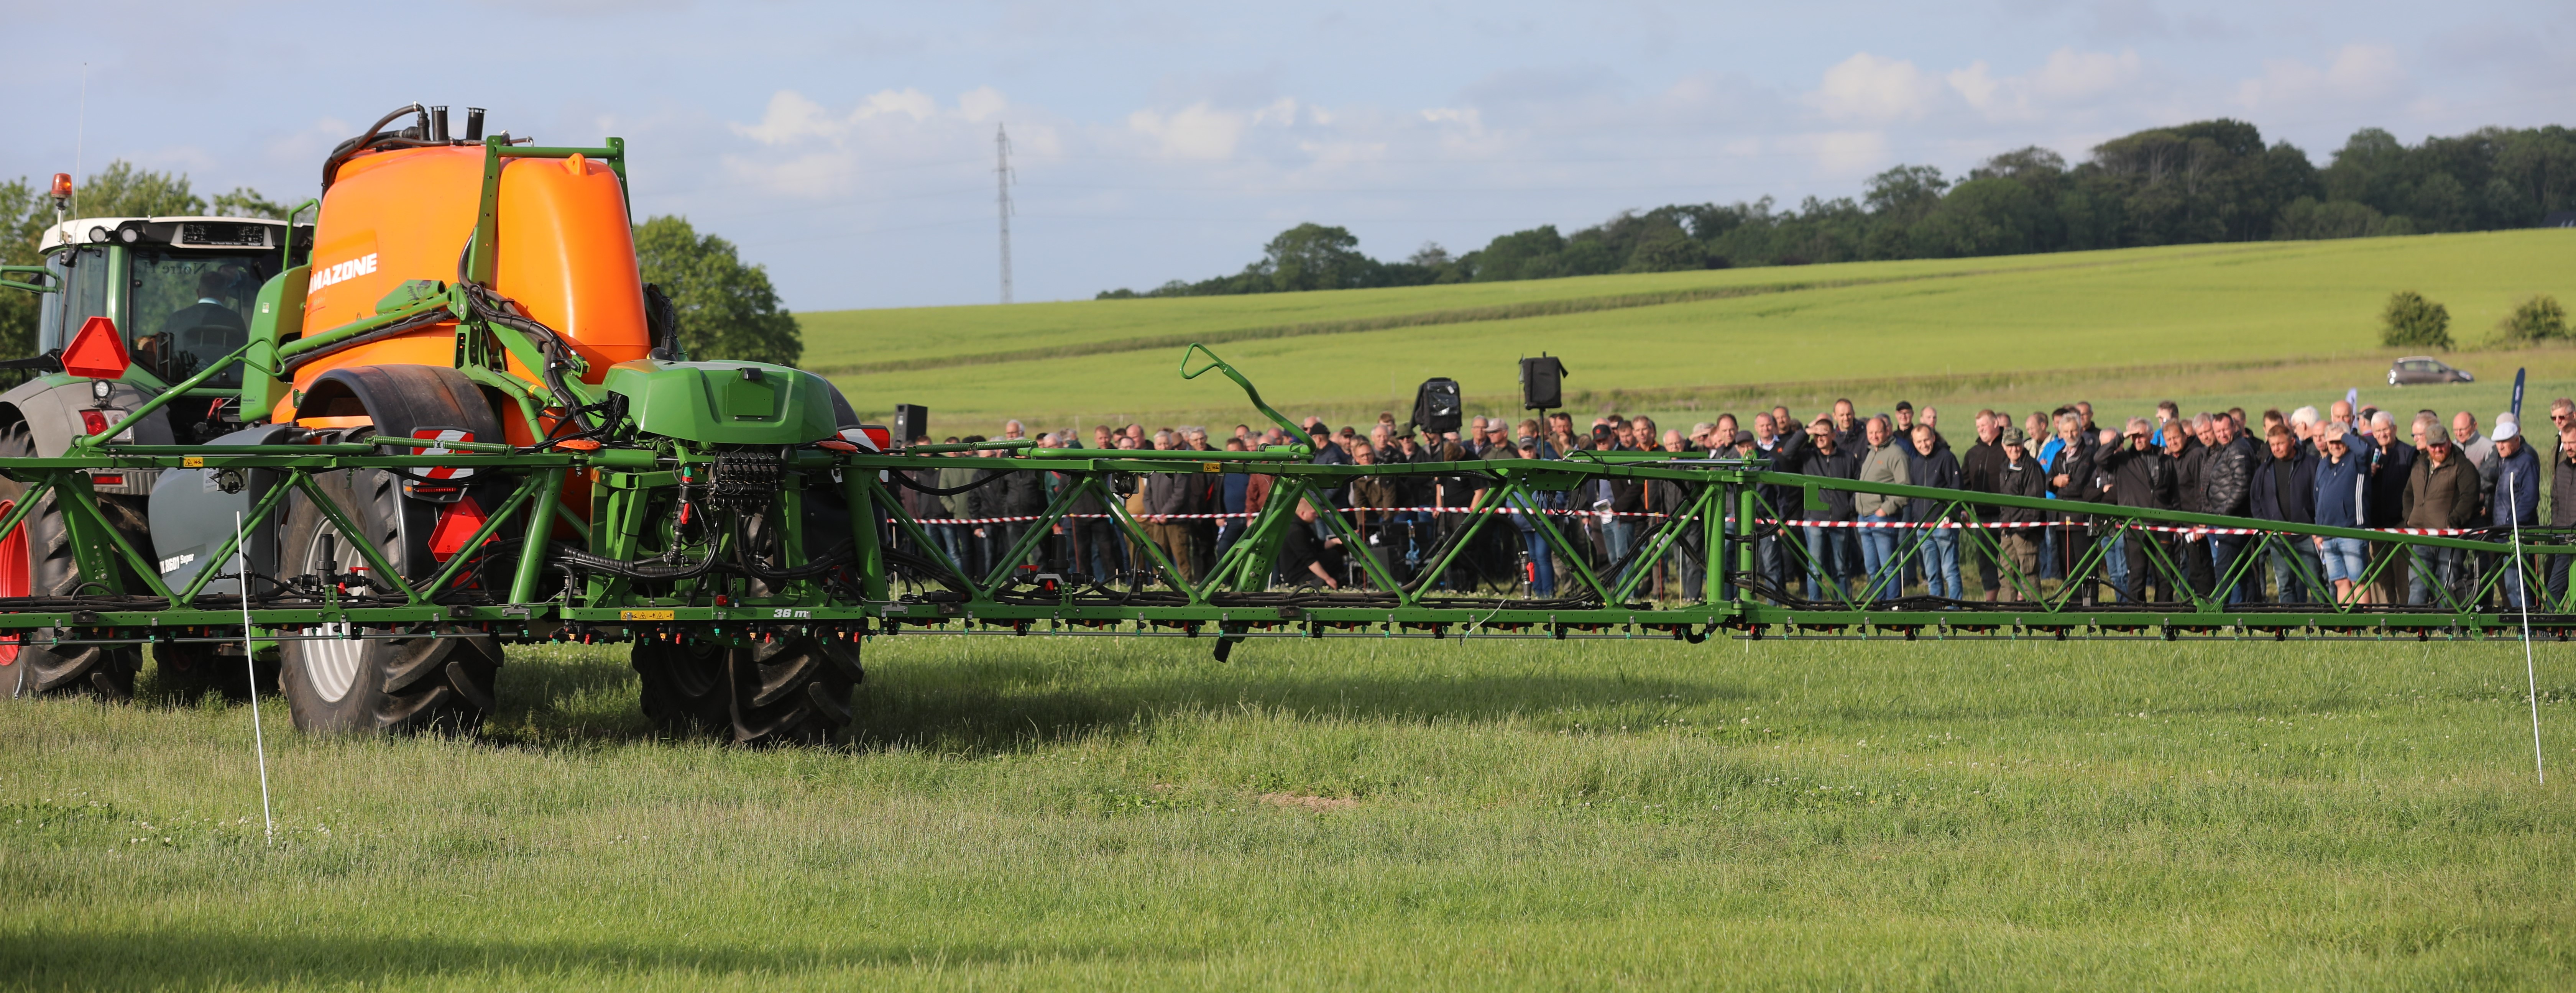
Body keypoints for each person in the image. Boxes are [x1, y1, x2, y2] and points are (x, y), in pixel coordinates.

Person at [2097, 417, 2177, 602]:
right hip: (2135, 526)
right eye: (2134, 437)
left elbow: (2174, 494)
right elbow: (2100, 458)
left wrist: (2175, 523)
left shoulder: (2166, 460)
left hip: (2162, 525)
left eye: (2141, 436)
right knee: (2137, 573)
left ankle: (2163, 612)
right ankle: (2137, 612)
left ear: (2151, 435)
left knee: (2165, 574)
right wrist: (2122, 436)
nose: (2137, 440)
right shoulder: (2123, 460)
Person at [2403, 420, 2481, 606]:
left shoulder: (2463, 466)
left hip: (2450, 539)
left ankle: (2445, 622)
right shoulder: (2419, 465)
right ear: (2427, 446)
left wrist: (2452, 522)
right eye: (2433, 446)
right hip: (2421, 537)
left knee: (2447, 584)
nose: (2438, 449)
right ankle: (2415, 620)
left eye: (2441, 445)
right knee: (2417, 583)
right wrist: (2409, 519)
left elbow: (2469, 497)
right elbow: (2408, 494)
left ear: (2449, 443)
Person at [2249, 423, 2321, 603]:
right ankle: (2291, 619)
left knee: (2317, 583)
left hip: (2308, 536)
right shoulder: (2265, 469)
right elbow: (2255, 500)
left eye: (2280, 444)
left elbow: (2321, 497)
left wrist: (2317, 526)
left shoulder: (2311, 464)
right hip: (2278, 537)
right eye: (2273, 445)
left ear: (2292, 442)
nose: (2276, 449)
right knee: (2285, 585)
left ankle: (2323, 618)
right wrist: (2265, 526)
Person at [1793, 418, 1861, 600]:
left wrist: (1848, 508)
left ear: (1833, 435)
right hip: (1814, 520)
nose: (1820, 438)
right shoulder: (1808, 457)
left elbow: (1858, 485)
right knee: (1815, 567)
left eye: (1824, 433)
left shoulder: (1847, 458)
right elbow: (1788, 453)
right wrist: (1806, 432)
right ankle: (1815, 605)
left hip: (1840, 520)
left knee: (1840, 567)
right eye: (1817, 435)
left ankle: (1844, 605)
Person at [2310, 422, 2373, 606]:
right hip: (2328, 534)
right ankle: (2347, 619)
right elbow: (2318, 498)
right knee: (2340, 582)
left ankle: (2364, 620)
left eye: (2340, 441)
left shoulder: (2357, 460)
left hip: (2352, 531)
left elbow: (2364, 450)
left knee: (2358, 581)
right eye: (2332, 442)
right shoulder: (2323, 465)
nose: (2336, 446)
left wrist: (2343, 436)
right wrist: (2318, 530)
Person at [2201, 411, 2258, 604]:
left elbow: (2242, 485)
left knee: (2224, 568)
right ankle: (2252, 608)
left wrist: (2222, 513)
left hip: (2233, 520)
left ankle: (2219, 610)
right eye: (2218, 431)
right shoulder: (2230, 448)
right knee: (2242, 568)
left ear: (2234, 427)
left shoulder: (2237, 449)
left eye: (2226, 430)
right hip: (2233, 519)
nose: (2222, 435)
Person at [1855, 415, 1912, 600]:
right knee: (1872, 567)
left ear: (1887, 431)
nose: (1874, 436)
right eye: (1870, 432)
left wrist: (1885, 509)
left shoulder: (1897, 454)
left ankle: (1893, 603)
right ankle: (1878, 603)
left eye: (1878, 432)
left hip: (1882, 517)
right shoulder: (1871, 453)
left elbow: (1905, 488)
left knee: (1888, 566)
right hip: (1864, 516)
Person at [1904, 422, 1963, 600]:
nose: (1924, 445)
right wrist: (1917, 519)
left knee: (1950, 570)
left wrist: (1950, 516)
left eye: (1926, 440)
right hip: (1923, 527)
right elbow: (1914, 494)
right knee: (1932, 573)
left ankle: (1955, 606)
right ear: (1914, 443)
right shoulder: (1915, 463)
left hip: (1943, 525)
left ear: (1934, 438)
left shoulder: (1947, 458)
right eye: (1919, 442)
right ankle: (1938, 606)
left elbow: (1957, 490)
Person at [2364, 411, 2417, 605]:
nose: (2382, 434)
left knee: (2403, 572)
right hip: (2376, 524)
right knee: (2379, 574)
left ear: (2395, 429)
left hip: (2401, 523)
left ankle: (2406, 612)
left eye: (2385, 429)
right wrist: (2367, 472)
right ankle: (2383, 614)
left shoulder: (2409, 454)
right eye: (2377, 431)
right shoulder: (2369, 456)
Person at [1990, 427, 2049, 600]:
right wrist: (2005, 525)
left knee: (2029, 574)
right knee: (2005, 573)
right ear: (2004, 446)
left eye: (2018, 445)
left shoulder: (2032, 468)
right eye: (2010, 445)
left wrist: (2024, 529)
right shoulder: (2005, 466)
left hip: (2025, 533)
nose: (2014, 449)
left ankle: (2036, 611)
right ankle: (2009, 611)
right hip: (2008, 529)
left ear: (2023, 444)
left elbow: (2036, 503)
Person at [2490, 420, 2541, 609]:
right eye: (2497, 442)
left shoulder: (2526, 462)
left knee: (2518, 583)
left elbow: (2530, 499)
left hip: (2517, 534)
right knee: (2511, 582)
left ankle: (2527, 620)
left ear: (2517, 440)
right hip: (2503, 533)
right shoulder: (2504, 461)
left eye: (2504, 442)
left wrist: (2511, 524)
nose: (2500, 446)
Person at [1960, 411, 2007, 600]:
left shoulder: (2008, 448)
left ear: (1996, 424)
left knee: (2011, 559)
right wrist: (1965, 510)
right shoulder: (1973, 454)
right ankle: (1991, 602)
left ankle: (2017, 600)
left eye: (1984, 426)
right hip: (1982, 517)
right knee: (1986, 561)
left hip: (2007, 516)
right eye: (1978, 427)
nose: (1980, 430)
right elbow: (1964, 486)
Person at [1278, 499, 1345, 589]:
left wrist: (1336, 541)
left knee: (1333, 555)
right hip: (1299, 577)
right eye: (1314, 513)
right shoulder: (1296, 532)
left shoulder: (1304, 527)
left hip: (1306, 570)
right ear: (1303, 514)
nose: (1317, 515)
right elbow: (1309, 560)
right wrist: (1328, 579)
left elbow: (1319, 546)